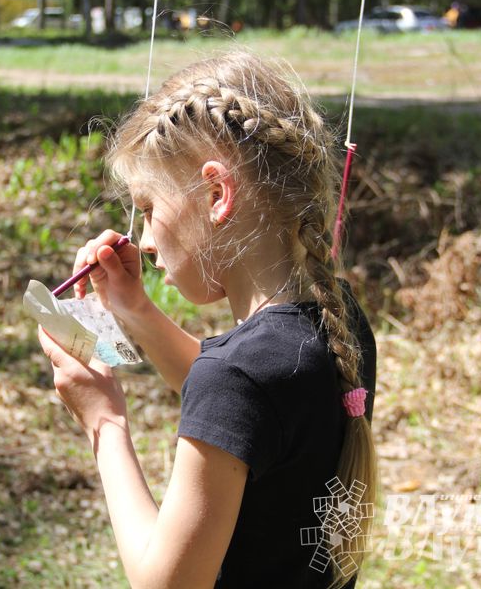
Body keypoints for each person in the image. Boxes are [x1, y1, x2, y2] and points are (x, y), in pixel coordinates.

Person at [36, 51, 378, 589]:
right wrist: (134, 311)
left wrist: (105, 422)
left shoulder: (240, 376)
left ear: (217, 194)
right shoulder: (340, 324)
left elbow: (163, 584)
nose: (145, 242)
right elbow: (243, 411)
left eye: (148, 208)